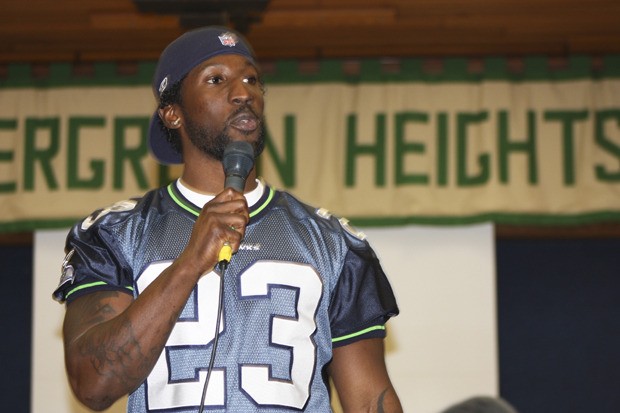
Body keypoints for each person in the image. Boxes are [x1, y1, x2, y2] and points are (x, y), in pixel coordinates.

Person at [53, 26, 402, 413]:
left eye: (251, 79)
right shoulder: (115, 233)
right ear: (173, 113)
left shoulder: (333, 241)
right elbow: (92, 385)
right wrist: (190, 262)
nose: (244, 93)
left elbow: (370, 399)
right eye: (216, 79)